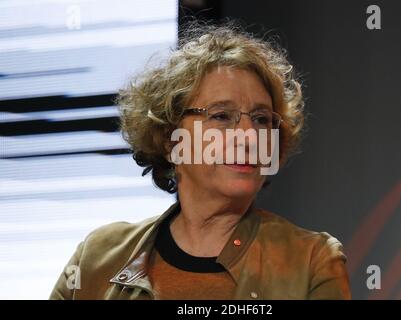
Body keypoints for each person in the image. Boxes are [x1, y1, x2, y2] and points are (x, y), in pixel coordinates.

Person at [50, 22, 351, 300]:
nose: (249, 137)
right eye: (221, 115)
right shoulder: (98, 258)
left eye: (261, 119)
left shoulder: (312, 261)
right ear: (170, 138)